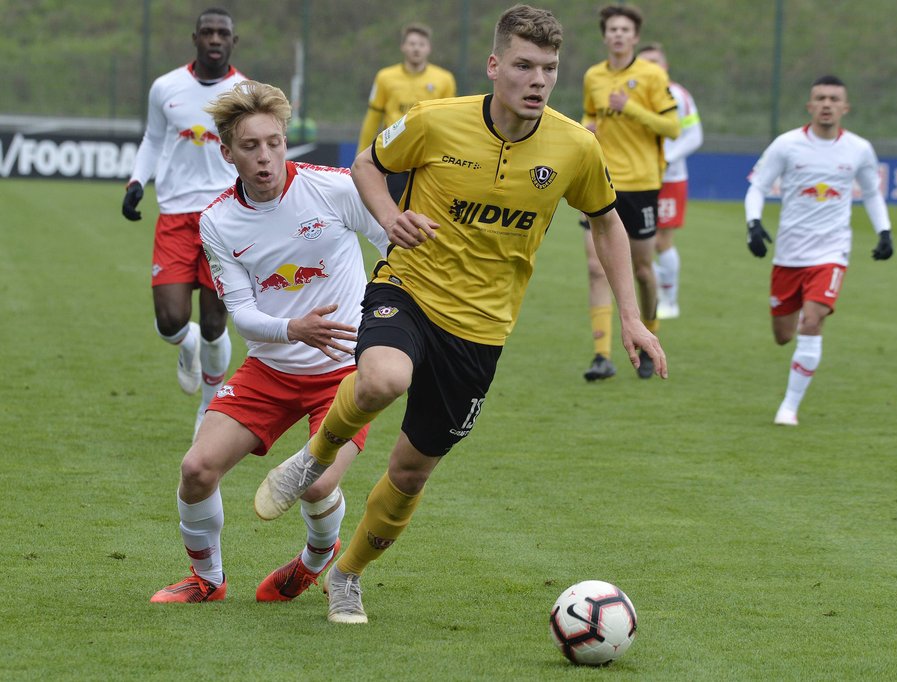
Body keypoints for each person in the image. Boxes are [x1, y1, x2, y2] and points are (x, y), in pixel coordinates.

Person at [251, 3, 667, 624]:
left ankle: (347, 575)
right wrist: (391, 219)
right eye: (524, 66)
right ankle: (316, 454)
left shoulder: (575, 146)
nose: (538, 80)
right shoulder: (435, 121)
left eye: (549, 69)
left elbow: (607, 220)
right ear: (495, 66)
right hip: (409, 290)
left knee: (410, 472)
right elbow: (367, 165)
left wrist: (632, 319)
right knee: (383, 378)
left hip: (483, 330)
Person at [149, 80, 390, 603]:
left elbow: (392, 243)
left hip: (345, 372)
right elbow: (242, 315)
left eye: (274, 142)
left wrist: (386, 323)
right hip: (271, 368)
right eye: (251, 146)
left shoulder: (335, 188)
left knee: (319, 484)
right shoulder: (217, 221)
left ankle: (315, 560)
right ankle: (207, 581)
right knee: (196, 470)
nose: (265, 157)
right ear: (227, 151)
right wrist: (294, 329)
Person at [122, 8, 246, 436]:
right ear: (195, 38)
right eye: (207, 32)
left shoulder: (245, 92)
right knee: (172, 320)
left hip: (226, 217)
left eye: (223, 33)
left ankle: (210, 410)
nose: (215, 38)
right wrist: (138, 180)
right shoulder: (166, 87)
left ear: (233, 41)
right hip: (175, 214)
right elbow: (153, 139)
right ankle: (185, 344)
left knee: (215, 323)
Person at [744, 74, 894, 426]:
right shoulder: (786, 145)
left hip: (832, 252)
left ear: (845, 107)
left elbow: (871, 193)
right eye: (820, 98)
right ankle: (804, 315)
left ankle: (789, 407)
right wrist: (753, 223)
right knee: (783, 336)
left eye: (833, 99)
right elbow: (757, 186)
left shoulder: (859, 149)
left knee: (812, 322)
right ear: (810, 106)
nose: (827, 104)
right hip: (789, 253)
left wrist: (884, 231)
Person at [580, 4, 679, 381]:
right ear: (604, 36)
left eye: (625, 30)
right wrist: (585, 130)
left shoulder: (652, 75)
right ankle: (601, 355)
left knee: (641, 271)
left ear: (635, 37)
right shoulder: (593, 76)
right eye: (612, 29)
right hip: (602, 180)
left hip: (641, 185)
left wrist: (631, 108)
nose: (618, 35)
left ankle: (650, 339)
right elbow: (593, 117)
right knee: (595, 268)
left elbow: (672, 128)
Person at [636, 43, 703, 321]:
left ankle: (670, 299)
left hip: (669, 177)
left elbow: (694, 136)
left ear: (665, 66)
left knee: (662, 240)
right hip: (636, 177)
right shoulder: (632, 94)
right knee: (636, 241)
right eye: (645, 62)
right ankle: (653, 292)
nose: (650, 66)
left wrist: (665, 159)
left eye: (655, 61)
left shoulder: (677, 95)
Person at [356, 23, 457, 203]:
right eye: (411, 43)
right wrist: (360, 155)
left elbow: (450, 121)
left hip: (427, 156)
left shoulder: (444, 79)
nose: (416, 48)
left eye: (421, 44)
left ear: (429, 48)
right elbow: (373, 117)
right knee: (394, 214)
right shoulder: (385, 77)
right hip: (395, 152)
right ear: (403, 46)